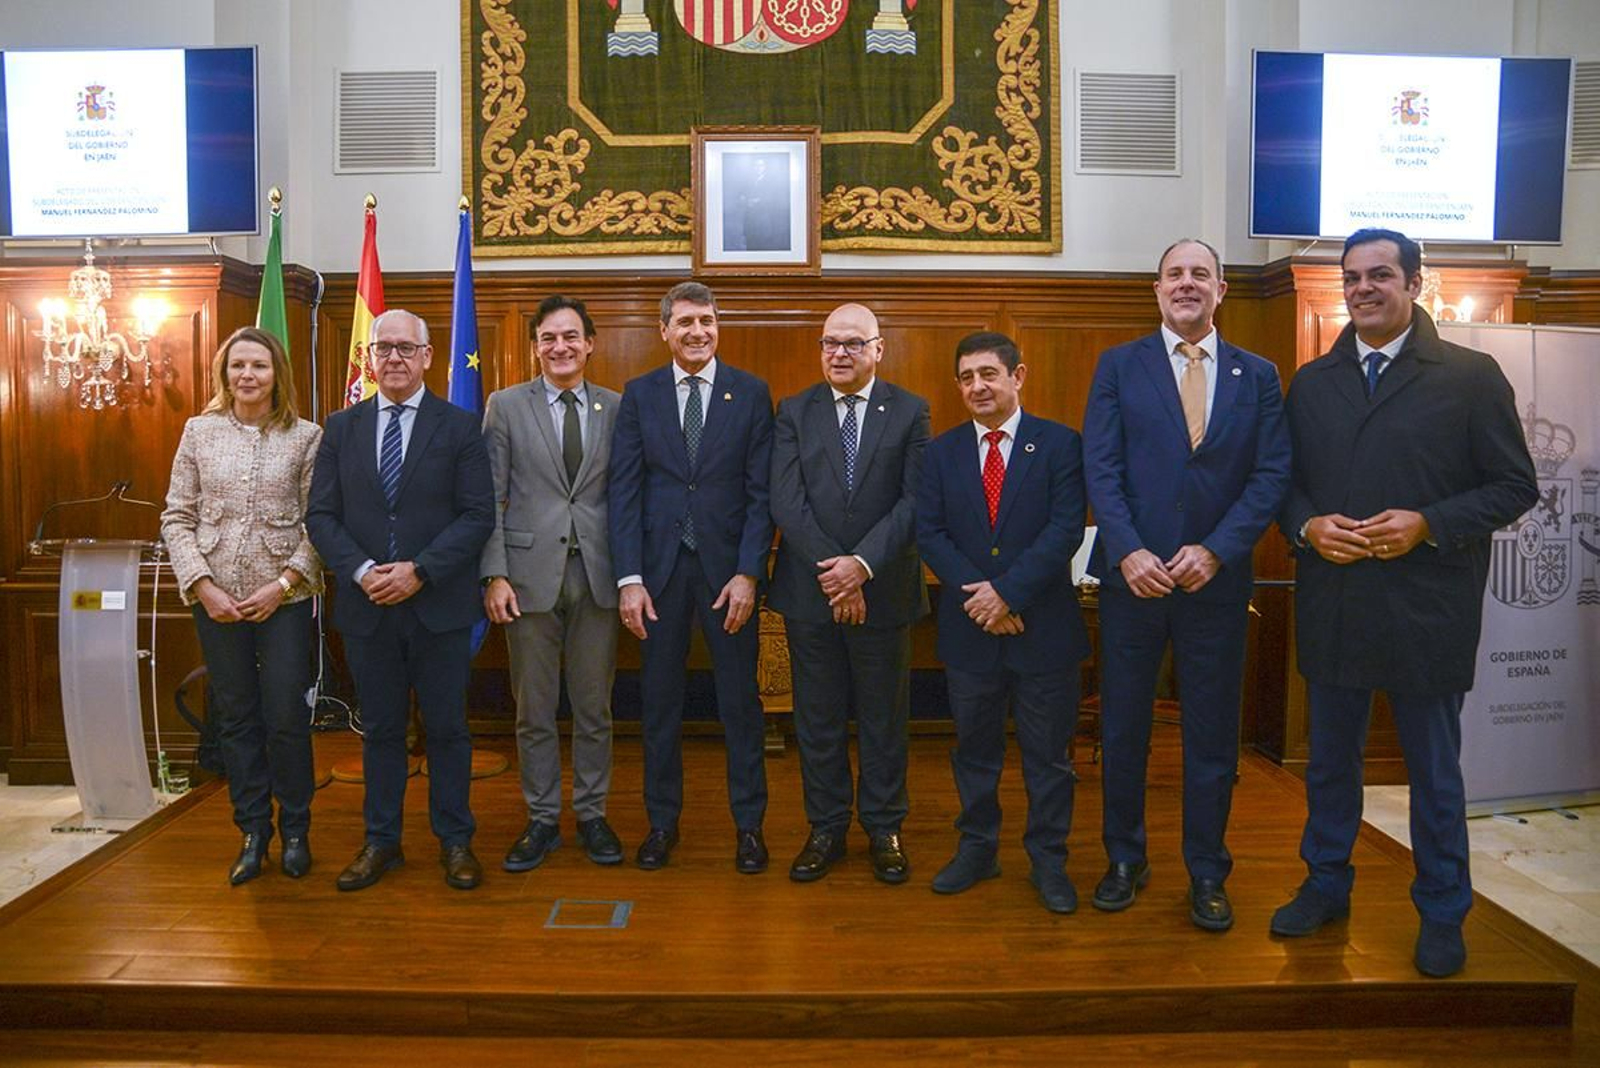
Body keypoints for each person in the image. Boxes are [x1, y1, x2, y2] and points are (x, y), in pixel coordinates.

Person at [1271, 228, 1538, 978]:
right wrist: (1305, 524)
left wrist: (1429, 524)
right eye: (1352, 278)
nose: (1364, 289)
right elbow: (1285, 485)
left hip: (1429, 606)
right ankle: (1326, 885)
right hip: (1337, 600)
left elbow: (1515, 486)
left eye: (1380, 275)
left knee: (1433, 772)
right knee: (1329, 767)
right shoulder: (1313, 383)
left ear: (1414, 283)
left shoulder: (1470, 375)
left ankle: (1444, 910)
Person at [1082, 238, 1290, 931]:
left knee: (1210, 736)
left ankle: (1207, 872)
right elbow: (1101, 470)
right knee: (1125, 728)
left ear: (1222, 290)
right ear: (1157, 287)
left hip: (1215, 586)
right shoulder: (1119, 366)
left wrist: (1221, 550)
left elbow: (1270, 476)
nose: (1187, 283)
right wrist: (1128, 551)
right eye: (1175, 273)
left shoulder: (1257, 375)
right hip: (1132, 583)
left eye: (1201, 273)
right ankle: (1124, 859)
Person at [306, 309, 496, 892]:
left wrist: (420, 571)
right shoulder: (341, 428)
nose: (393, 358)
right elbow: (321, 515)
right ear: (370, 357)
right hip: (368, 608)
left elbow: (477, 515)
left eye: (405, 349)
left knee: (446, 729)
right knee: (382, 730)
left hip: (437, 605)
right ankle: (381, 841)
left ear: (428, 356)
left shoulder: (460, 427)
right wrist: (363, 571)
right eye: (383, 348)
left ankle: (456, 841)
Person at [916, 331, 1091, 914]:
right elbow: (930, 534)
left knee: (1048, 757)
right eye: (966, 377)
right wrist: (983, 602)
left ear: (1019, 376)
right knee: (974, 751)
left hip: (1044, 630)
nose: (977, 387)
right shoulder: (940, 453)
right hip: (970, 631)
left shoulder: (1062, 445)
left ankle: (1048, 862)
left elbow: (1066, 530)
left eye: (988, 374)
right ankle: (977, 849)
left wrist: (1008, 596)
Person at [608, 281, 775, 873]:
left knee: (740, 705)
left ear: (717, 326)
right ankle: (661, 825)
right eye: (685, 322)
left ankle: (749, 828)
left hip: (728, 576)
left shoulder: (751, 394)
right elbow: (624, 492)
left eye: (706, 320)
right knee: (659, 705)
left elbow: (762, 496)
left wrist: (750, 573)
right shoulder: (640, 395)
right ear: (665, 331)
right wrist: (629, 578)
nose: (697, 331)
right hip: (658, 577)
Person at [768, 302, 931, 884]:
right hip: (810, 592)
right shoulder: (793, 412)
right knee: (818, 717)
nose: (840, 353)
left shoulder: (911, 412)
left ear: (877, 350)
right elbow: (786, 501)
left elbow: (914, 502)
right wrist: (835, 573)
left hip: (883, 589)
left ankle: (885, 827)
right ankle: (827, 827)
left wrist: (860, 566)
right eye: (830, 342)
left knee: (885, 718)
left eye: (853, 343)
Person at [162, 326, 323, 886]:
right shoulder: (199, 433)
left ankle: (296, 828)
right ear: (224, 374)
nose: (247, 376)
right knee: (236, 719)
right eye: (237, 367)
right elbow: (176, 517)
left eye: (258, 366)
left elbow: (319, 524)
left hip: (284, 600)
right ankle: (253, 831)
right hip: (216, 601)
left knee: (285, 718)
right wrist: (203, 585)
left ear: (278, 374)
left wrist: (282, 584)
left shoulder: (306, 437)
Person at [480, 296, 623, 872]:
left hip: (599, 576)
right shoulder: (506, 406)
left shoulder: (618, 408)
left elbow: (627, 496)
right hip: (526, 578)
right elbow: (488, 495)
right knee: (534, 709)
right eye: (548, 338)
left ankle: (591, 813)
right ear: (535, 346)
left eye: (570, 337)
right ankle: (541, 818)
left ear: (590, 343)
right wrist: (493, 572)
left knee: (595, 707)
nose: (559, 347)